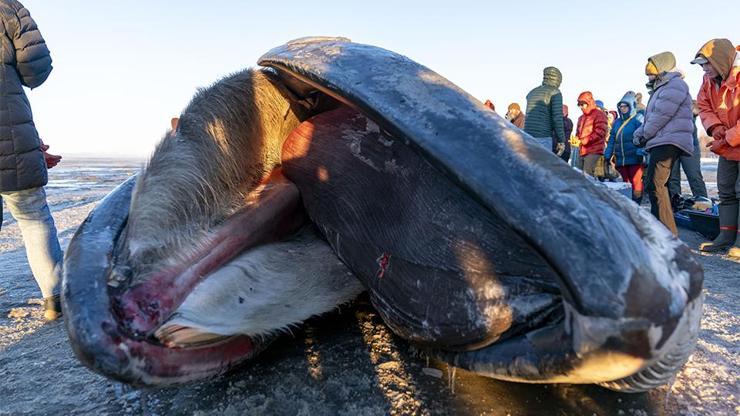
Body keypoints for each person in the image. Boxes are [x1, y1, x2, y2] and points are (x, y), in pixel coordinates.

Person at [0, 0, 62, 320]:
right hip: (10, 133)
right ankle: (54, 300)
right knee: (33, 218)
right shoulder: (7, 8)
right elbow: (35, 69)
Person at [632, 51, 694, 236]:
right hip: (664, 138)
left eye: (651, 74)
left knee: (655, 183)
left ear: (662, 70)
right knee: (654, 183)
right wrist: (640, 133)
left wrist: (644, 135)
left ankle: (666, 233)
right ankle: (661, 229)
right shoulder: (663, 87)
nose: (649, 77)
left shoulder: (674, 85)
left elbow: (661, 116)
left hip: (669, 140)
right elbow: (650, 118)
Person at [691, 38, 740, 258]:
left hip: (732, 140)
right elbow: (704, 105)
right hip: (728, 145)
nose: (704, 68)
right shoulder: (708, 81)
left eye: (706, 63)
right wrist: (715, 127)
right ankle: (726, 236)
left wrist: (728, 136)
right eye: (701, 65)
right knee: (726, 189)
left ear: (720, 61)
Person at [604, 92, 645, 203]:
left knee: (636, 183)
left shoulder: (638, 119)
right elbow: (612, 139)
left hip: (635, 157)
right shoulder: (617, 122)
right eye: (621, 106)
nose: (622, 108)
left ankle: (637, 206)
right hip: (621, 158)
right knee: (625, 184)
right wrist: (608, 154)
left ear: (631, 106)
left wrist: (641, 151)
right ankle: (628, 206)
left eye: (625, 106)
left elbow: (643, 136)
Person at [668, 100, 708, 201]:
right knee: (673, 178)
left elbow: (698, 108)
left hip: (690, 147)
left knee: (694, 176)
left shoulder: (689, 103)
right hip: (672, 146)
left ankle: (703, 204)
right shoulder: (668, 105)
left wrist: (692, 108)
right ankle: (675, 204)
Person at [523, 66, 566, 157]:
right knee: (542, 166)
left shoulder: (532, 92)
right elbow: (557, 117)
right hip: (543, 136)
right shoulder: (555, 92)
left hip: (527, 136)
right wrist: (561, 140)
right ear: (557, 80)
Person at [574, 91, 608, 176]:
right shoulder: (581, 118)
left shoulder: (599, 115)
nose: (581, 107)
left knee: (587, 174)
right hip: (582, 150)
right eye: (579, 104)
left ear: (588, 103)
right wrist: (575, 140)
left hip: (594, 150)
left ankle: (590, 189)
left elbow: (600, 132)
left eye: (582, 104)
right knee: (578, 174)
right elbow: (578, 133)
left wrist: (583, 141)